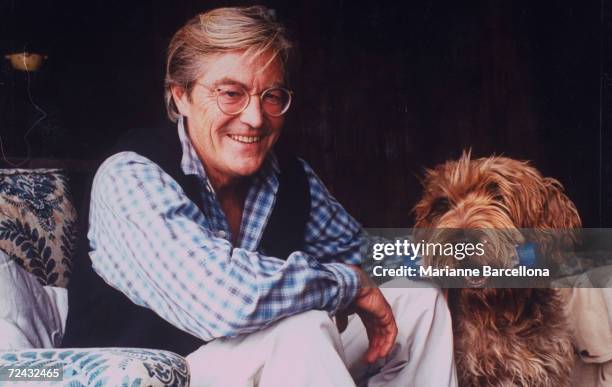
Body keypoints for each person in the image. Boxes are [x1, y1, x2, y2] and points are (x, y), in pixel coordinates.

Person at [63, 6, 457, 386]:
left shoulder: (286, 178)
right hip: (142, 377)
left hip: (244, 369)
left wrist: (509, 258)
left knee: (416, 301)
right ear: (180, 95)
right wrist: (350, 285)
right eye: (231, 93)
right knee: (301, 329)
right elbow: (223, 301)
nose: (255, 118)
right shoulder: (132, 176)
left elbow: (370, 257)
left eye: (271, 96)